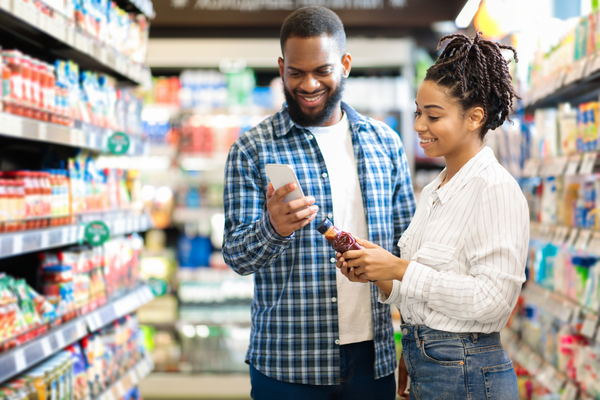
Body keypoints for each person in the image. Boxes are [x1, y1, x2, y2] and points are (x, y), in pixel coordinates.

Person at [222, 6, 415, 400]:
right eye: (296, 72)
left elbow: (411, 255)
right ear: (281, 67)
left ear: (345, 64)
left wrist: (412, 345)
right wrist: (272, 228)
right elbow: (237, 257)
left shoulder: (385, 144)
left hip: (372, 357)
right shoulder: (251, 149)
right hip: (287, 363)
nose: (308, 84)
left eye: (322, 71)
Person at [336, 31, 528, 400]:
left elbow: (493, 302)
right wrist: (375, 272)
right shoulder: (434, 190)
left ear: (475, 117)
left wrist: (398, 268)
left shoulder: (495, 189)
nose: (419, 125)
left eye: (433, 115)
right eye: (418, 112)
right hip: (431, 362)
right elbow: (423, 294)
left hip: (469, 371)